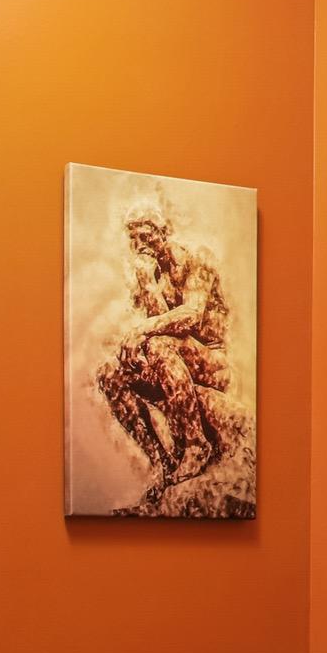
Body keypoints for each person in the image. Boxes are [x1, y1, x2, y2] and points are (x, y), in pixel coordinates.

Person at [96, 208, 235, 499]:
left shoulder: (198, 258)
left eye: (145, 235)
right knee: (109, 374)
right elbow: (162, 325)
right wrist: (147, 282)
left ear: (161, 232)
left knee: (156, 344)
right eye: (133, 239)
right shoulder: (151, 275)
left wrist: (140, 331)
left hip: (213, 361)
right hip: (177, 357)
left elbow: (191, 316)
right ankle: (163, 462)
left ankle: (196, 443)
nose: (140, 244)